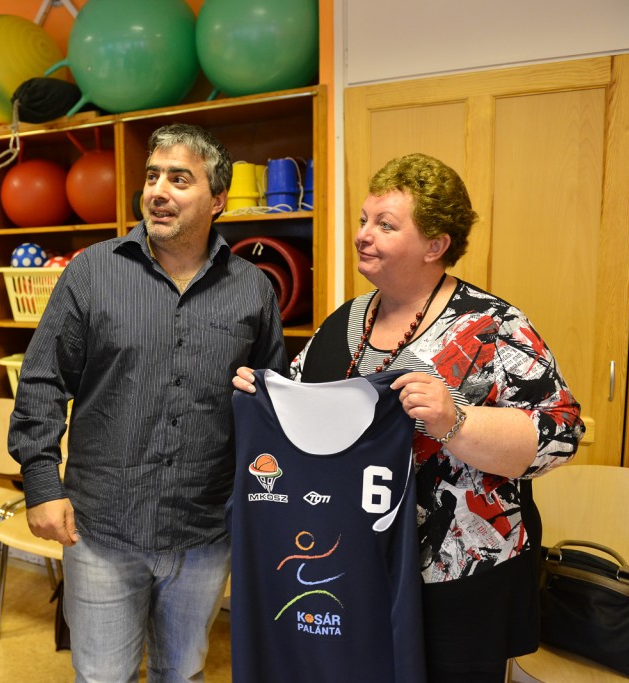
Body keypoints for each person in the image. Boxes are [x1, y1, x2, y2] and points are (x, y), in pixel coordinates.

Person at [233, 153, 585, 682]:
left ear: (435, 245)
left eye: (385, 224)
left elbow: (561, 435)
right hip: (355, 569)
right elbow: (302, 416)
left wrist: (456, 422)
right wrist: (263, 392)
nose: (362, 235)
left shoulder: (492, 327)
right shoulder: (342, 323)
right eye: (363, 219)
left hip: (457, 579)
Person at [8, 123, 287, 682]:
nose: (158, 191)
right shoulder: (92, 272)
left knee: (182, 674)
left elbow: (270, 403)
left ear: (218, 199)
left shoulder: (252, 288)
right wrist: (41, 485)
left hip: (204, 530)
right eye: (153, 176)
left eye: (179, 179)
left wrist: (262, 504)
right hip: (102, 527)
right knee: (103, 676)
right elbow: (42, 382)